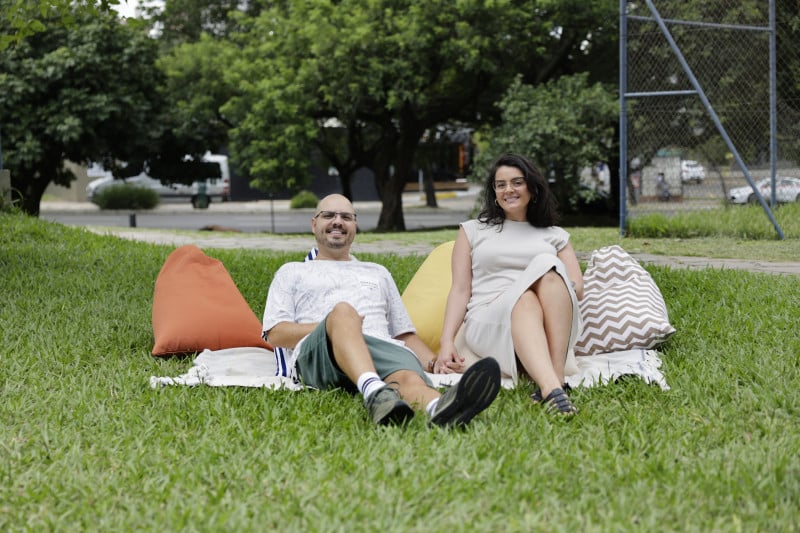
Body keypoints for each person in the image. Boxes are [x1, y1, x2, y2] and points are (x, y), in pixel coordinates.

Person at [262, 194, 501, 427]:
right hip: (321, 355)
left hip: (380, 348)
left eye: (346, 217)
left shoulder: (377, 272)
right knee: (343, 312)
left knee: (409, 378)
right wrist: (338, 327)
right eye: (329, 215)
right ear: (314, 225)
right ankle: (374, 392)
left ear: (355, 226)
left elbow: (403, 333)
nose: (338, 221)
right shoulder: (291, 272)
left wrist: (433, 362)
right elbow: (275, 333)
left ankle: (440, 408)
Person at [435, 153, 584, 416]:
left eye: (517, 182)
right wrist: (446, 341)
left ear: (532, 188)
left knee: (547, 275)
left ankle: (553, 384)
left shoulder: (556, 235)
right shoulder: (473, 230)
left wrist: (539, 284)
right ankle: (555, 386)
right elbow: (460, 290)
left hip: (543, 324)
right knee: (532, 283)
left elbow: (577, 290)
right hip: (488, 320)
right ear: (494, 192)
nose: (508, 190)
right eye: (500, 184)